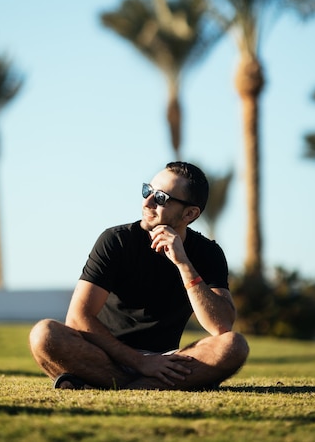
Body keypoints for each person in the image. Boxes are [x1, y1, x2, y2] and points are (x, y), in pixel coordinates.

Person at [29, 161, 249, 390]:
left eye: (160, 198)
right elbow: (77, 318)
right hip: (103, 355)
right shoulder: (116, 240)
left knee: (235, 345)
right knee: (43, 334)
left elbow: (221, 325)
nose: (147, 202)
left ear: (190, 213)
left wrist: (183, 264)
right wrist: (142, 363)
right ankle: (144, 385)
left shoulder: (208, 253)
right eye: (148, 190)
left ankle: (100, 385)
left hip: (166, 360)